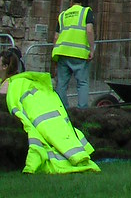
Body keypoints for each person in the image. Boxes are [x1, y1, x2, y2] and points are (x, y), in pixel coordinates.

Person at [1, 46, 99, 174]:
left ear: (5, 66)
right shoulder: (22, 79)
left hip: (39, 106)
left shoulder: (11, 84)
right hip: (76, 55)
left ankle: (69, 154)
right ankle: (74, 152)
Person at [51, 0, 95, 109]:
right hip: (79, 54)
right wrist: (92, 49)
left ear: (71, 1)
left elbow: (56, 36)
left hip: (63, 53)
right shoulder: (86, 12)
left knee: (62, 84)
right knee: (82, 83)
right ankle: (82, 110)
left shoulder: (63, 15)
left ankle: (63, 109)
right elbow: (89, 30)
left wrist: (54, 53)